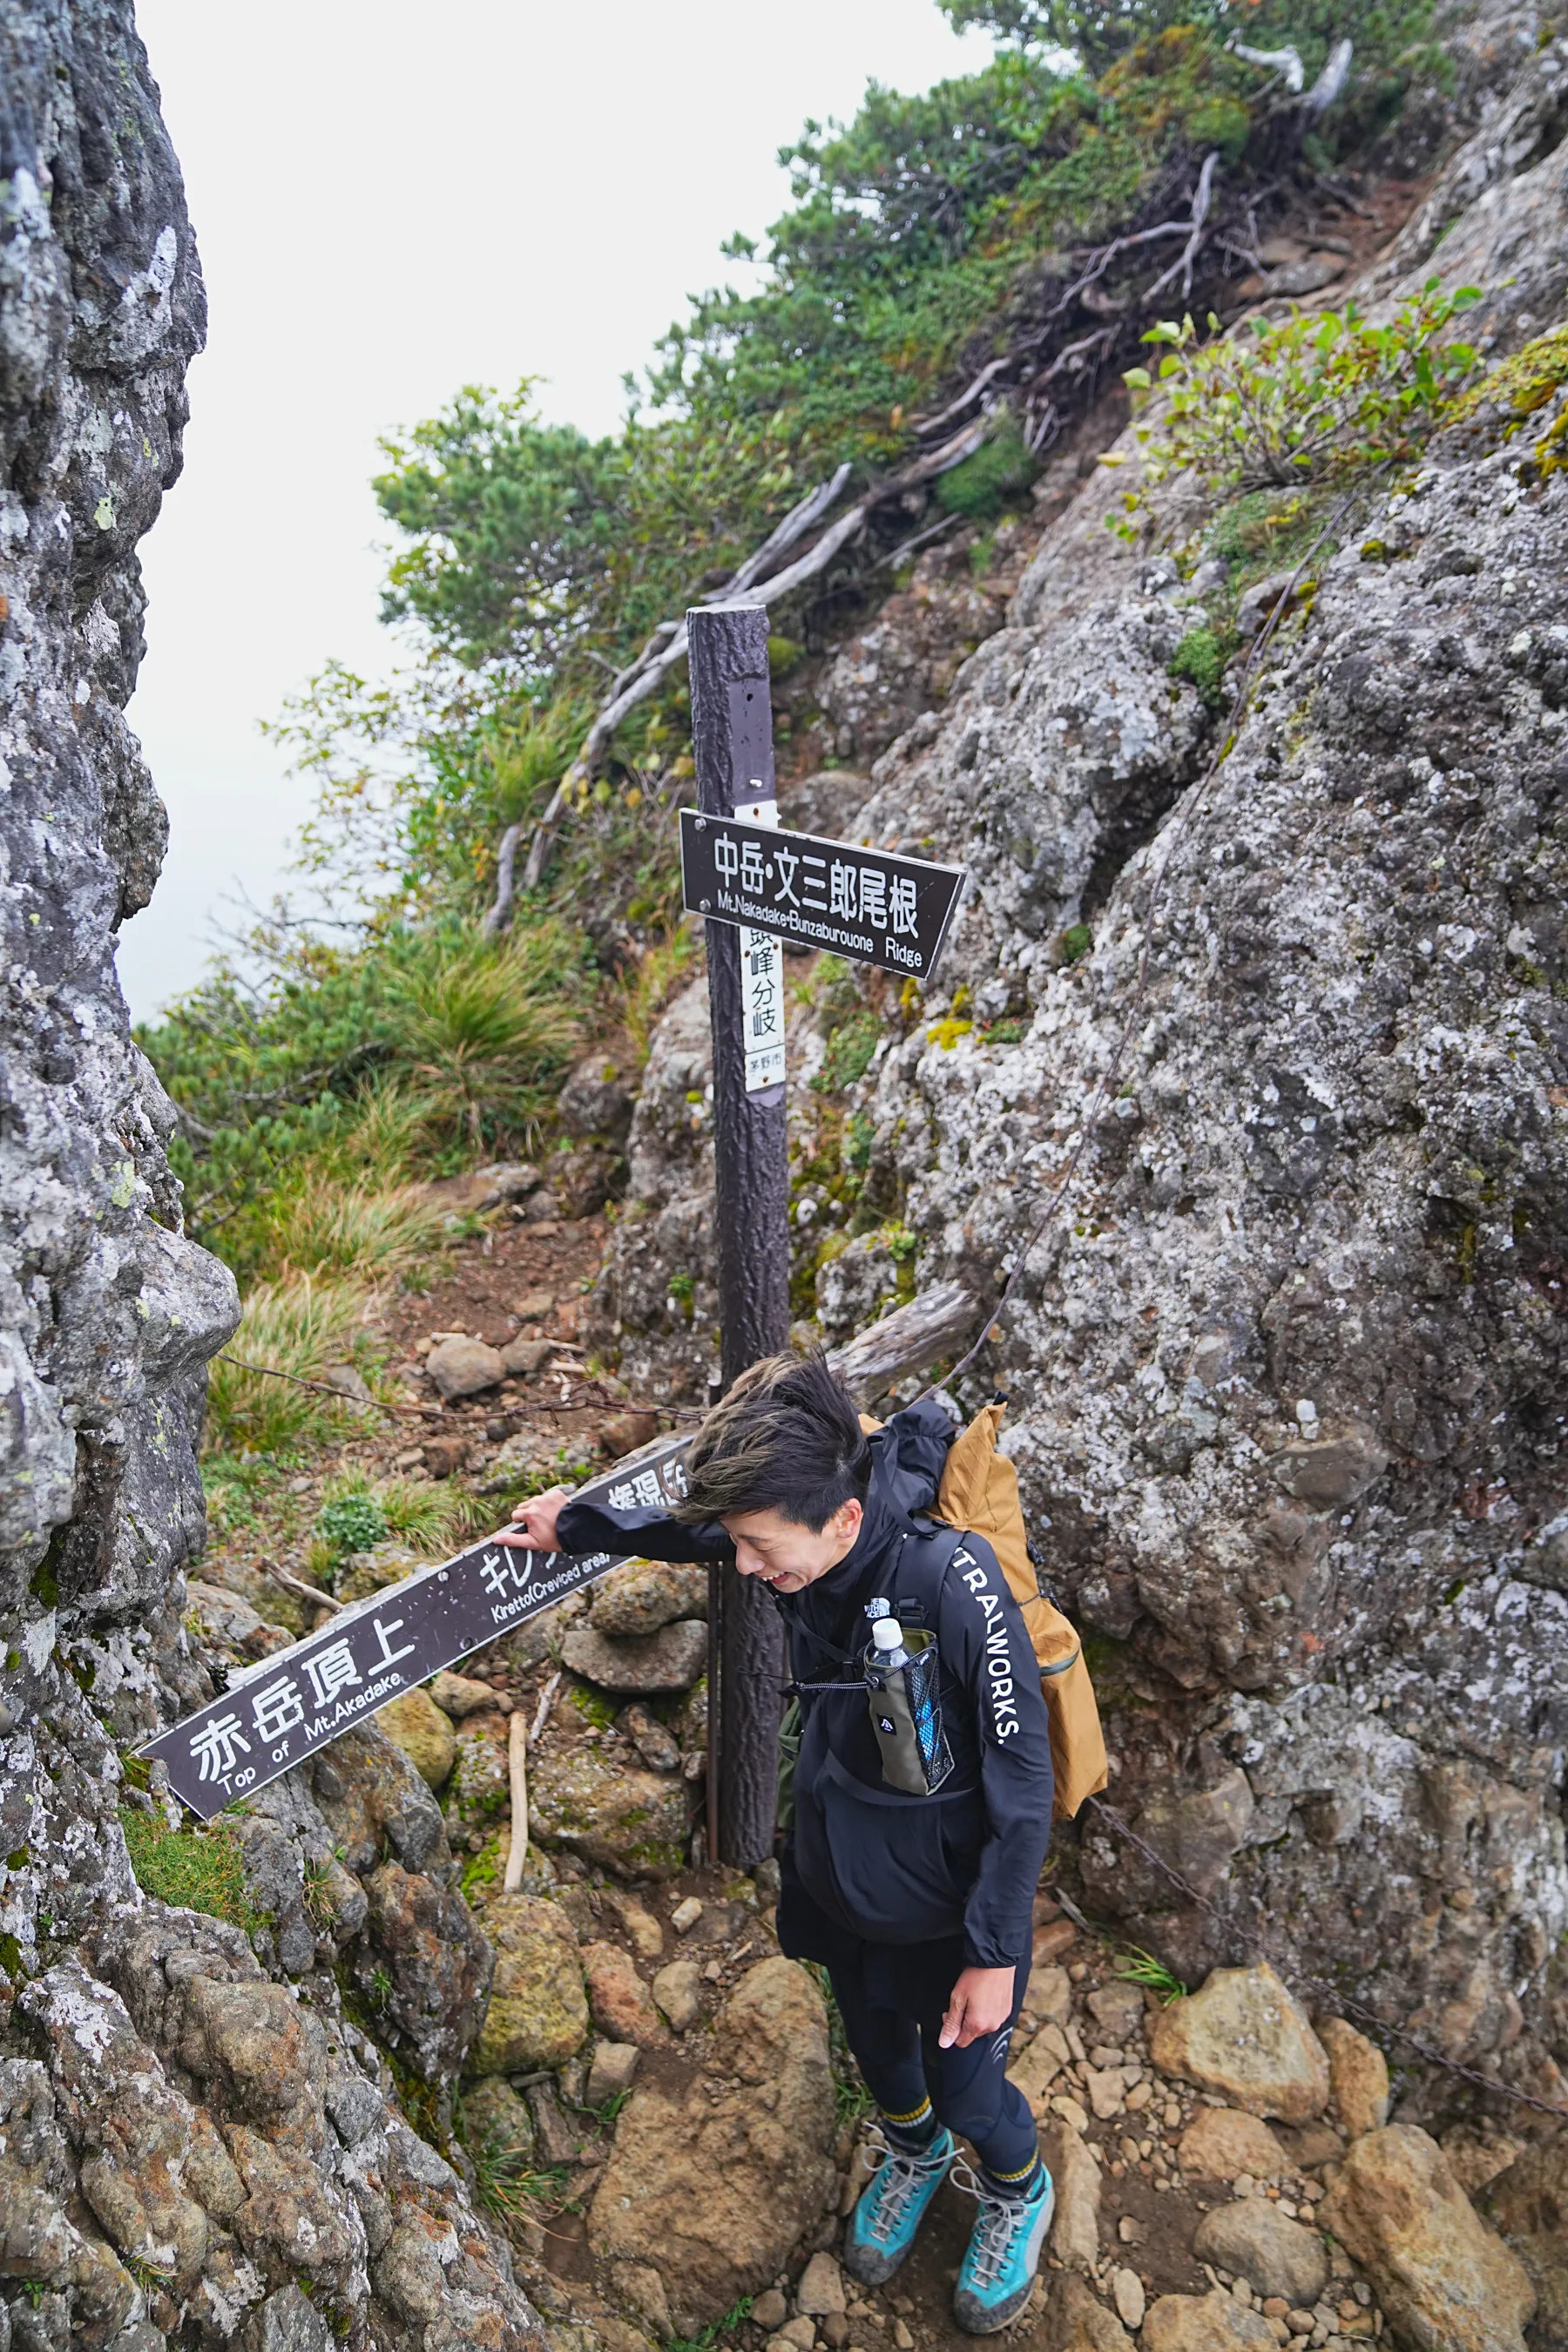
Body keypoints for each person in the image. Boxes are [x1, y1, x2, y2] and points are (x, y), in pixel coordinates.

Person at [503, 1352, 1057, 2334]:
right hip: (842, 1878)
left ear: (843, 1519)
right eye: (745, 1545)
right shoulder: (800, 1531)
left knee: (970, 2090)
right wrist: (574, 1524)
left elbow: (1023, 1783)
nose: (749, 1568)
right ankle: (912, 2153)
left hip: (949, 1916)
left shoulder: (954, 1580)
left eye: (762, 1549)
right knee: (882, 2057)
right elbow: (696, 1538)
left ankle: (1018, 2188)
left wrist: (995, 1952)